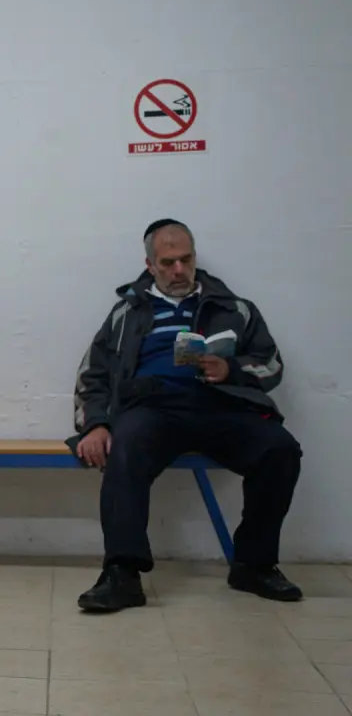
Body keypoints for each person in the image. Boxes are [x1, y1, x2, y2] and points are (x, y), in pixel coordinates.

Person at [70, 218, 303, 613]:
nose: (179, 270)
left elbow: (272, 364)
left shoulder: (234, 308)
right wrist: (95, 424)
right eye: (167, 263)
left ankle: (253, 565)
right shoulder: (127, 312)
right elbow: (92, 374)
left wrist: (231, 369)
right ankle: (122, 574)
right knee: (124, 446)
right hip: (153, 409)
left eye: (186, 259)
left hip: (222, 406)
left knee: (280, 449)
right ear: (150, 265)